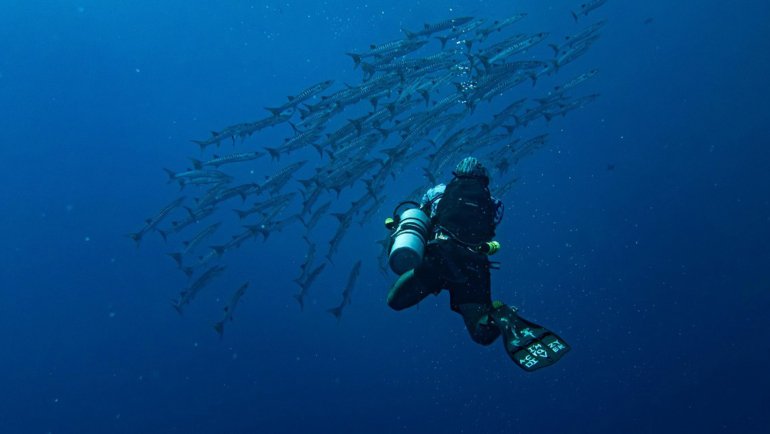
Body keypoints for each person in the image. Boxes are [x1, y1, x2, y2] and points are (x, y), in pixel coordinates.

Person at [386, 157, 570, 372]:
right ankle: (500, 315)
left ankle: (492, 313)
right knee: (480, 333)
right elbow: (489, 231)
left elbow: (421, 223)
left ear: (457, 172)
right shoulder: (492, 202)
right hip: (474, 265)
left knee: (395, 301)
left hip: (439, 259)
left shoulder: (438, 192)